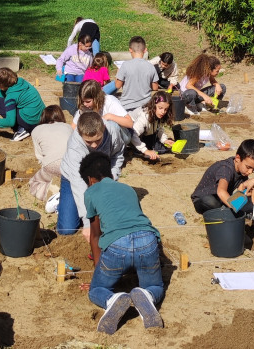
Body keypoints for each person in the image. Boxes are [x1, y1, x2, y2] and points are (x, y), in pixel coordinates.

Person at [81, 152, 164, 334]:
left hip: (117, 245)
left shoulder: (90, 192)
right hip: (147, 240)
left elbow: (95, 235)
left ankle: (113, 299)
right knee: (156, 287)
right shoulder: (128, 189)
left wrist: (98, 275)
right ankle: (146, 294)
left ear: (90, 179)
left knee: (97, 290)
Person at [57, 112, 128, 237]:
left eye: (98, 140)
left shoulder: (112, 132)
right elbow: (79, 184)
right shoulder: (75, 146)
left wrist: (112, 176)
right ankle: (62, 199)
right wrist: (87, 222)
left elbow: (118, 154)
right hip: (74, 178)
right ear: (80, 133)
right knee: (67, 230)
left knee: (108, 220)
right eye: (89, 142)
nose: (94, 146)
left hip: (101, 176)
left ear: (103, 129)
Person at [190, 139, 254, 215]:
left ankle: (226, 210)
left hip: (223, 199)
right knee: (212, 202)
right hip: (203, 199)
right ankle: (227, 211)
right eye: (248, 167)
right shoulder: (226, 168)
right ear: (238, 158)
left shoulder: (243, 171)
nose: (250, 172)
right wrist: (237, 207)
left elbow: (244, 189)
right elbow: (221, 191)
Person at [0, 68, 45, 141]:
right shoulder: (20, 82)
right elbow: (1, 92)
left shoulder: (11, 97)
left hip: (30, 122)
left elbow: (10, 122)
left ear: (2, 84)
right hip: (41, 118)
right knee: (1, 99)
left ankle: (21, 130)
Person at [29, 105, 74, 203]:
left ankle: (51, 193)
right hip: (71, 165)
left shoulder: (36, 130)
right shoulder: (68, 127)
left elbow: (40, 157)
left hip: (52, 165)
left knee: (33, 182)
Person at [115, 36, 159, 112]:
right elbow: (155, 87)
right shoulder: (151, 66)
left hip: (127, 106)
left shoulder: (125, 65)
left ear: (130, 50)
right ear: (145, 50)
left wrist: (118, 73)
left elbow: (117, 85)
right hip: (145, 106)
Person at [131, 92, 174, 161]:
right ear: (153, 105)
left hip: (147, 133)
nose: (163, 112)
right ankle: (135, 149)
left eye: (166, 109)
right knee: (153, 151)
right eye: (160, 108)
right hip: (132, 135)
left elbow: (160, 128)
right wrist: (145, 150)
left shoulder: (159, 114)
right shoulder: (144, 116)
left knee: (161, 149)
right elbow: (133, 134)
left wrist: (164, 140)